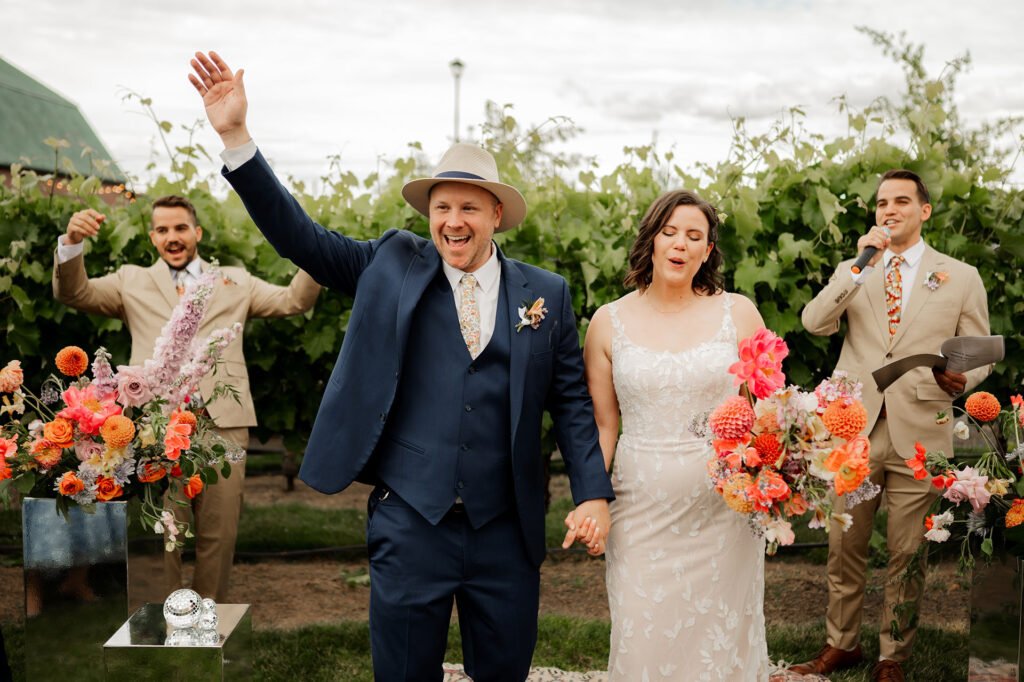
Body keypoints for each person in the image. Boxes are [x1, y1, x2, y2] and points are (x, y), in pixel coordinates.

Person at [187, 51, 613, 682]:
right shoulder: (391, 262)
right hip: (412, 522)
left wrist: (595, 494)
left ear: (496, 216)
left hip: (507, 531)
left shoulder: (544, 294)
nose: (453, 220)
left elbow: (573, 404)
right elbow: (300, 238)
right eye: (442, 207)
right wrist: (236, 138)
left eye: (469, 207)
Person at [52, 194, 322, 602]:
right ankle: (161, 627)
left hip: (223, 422)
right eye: (162, 230)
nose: (172, 237)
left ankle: (207, 628)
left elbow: (295, 300)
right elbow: (75, 293)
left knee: (218, 532)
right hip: (153, 427)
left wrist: (313, 247)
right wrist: (71, 242)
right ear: (152, 237)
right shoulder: (130, 280)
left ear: (196, 232)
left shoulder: (236, 280)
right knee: (162, 530)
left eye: (180, 228)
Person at [793, 169, 991, 682]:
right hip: (853, 429)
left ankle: (892, 657)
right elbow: (814, 322)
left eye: (902, 201)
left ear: (924, 211)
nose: (889, 210)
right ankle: (842, 644)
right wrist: (857, 270)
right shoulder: (854, 269)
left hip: (921, 426)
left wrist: (961, 376)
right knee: (845, 544)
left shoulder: (960, 275)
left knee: (908, 551)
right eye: (882, 202)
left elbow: (981, 349)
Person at [584, 189, 772, 680]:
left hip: (725, 512)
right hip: (640, 511)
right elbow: (606, 426)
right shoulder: (608, 323)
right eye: (669, 232)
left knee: (721, 642)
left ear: (708, 251)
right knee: (642, 636)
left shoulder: (741, 313)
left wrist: (771, 484)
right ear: (651, 240)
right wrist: (590, 497)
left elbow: (771, 415)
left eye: (694, 236)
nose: (680, 244)